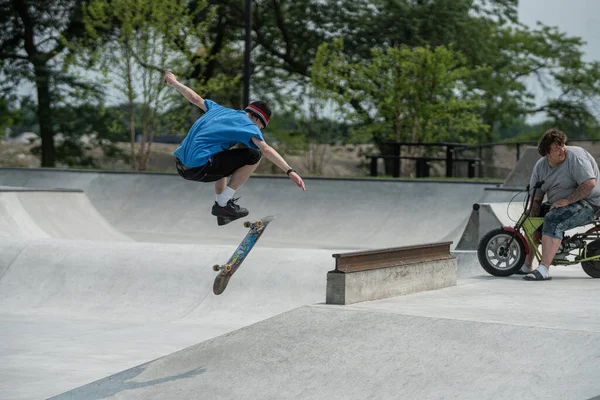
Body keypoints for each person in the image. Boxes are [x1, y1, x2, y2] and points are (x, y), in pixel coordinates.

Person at [163, 71, 306, 226]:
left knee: (221, 154)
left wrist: (174, 83)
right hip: (199, 167)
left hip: (181, 166)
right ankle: (223, 203)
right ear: (256, 118)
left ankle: (221, 209)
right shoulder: (248, 125)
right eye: (260, 127)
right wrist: (290, 171)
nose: (258, 130)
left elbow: (195, 98)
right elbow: (266, 150)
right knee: (254, 155)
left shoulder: (219, 109)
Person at [520, 128, 600, 280]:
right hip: (560, 204)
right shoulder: (540, 166)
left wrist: (567, 201)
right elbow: (537, 196)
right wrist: (533, 213)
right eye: (557, 148)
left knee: (553, 218)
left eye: (563, 145)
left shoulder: (576, 156)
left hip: (591, 203)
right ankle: (526, 265)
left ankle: (543, 269)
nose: (562, 150)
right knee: (530, 219)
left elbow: (589, 184)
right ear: (547, 152)